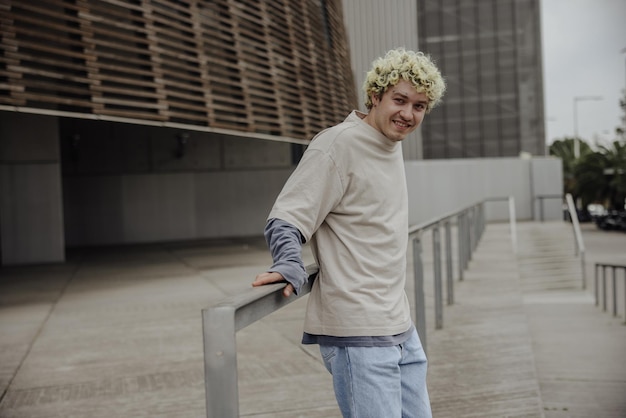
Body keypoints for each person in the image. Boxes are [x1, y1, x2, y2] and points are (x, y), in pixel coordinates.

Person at [252, 47, 446, 418]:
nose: (407, 114)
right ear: (375, 95)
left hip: (400, 326)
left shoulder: (390, 143)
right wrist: (289, 261)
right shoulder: (337, 144)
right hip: (358, 334)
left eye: (419, 106)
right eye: (399, 100)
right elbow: (287, 217)